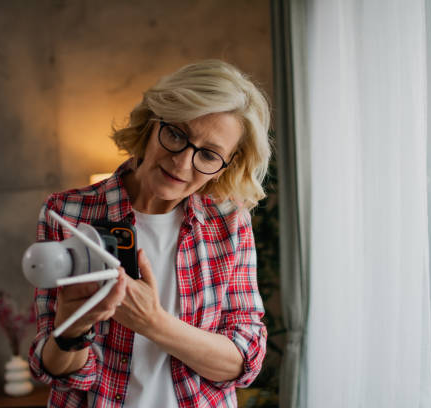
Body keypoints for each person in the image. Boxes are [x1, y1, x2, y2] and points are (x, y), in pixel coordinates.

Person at [28, 60, 271, 408]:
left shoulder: (229, 223)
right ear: (153, 121)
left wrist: (153, 322)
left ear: (224, 166)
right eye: (176, 134)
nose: (183, 163)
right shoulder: (68, 214)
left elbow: (244, 361)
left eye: (208, 154)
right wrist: (72, 327)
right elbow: (56, 372)